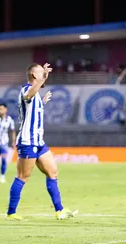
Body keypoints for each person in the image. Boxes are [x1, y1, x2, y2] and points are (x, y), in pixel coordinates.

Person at [6, 63, 77, 220]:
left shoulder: (36, 95)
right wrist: (42, 79)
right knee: (22, 177)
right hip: (27, 142)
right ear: (33, 76)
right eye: (41, 74)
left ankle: (59, 210)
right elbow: (28, 96)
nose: (44, 76)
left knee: (53, 172)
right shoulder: (26, 90)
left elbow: (33, 109)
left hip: (39, 142)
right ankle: (11, 212)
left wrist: (42, 101)